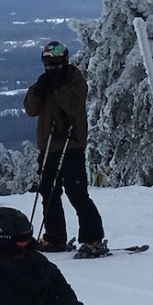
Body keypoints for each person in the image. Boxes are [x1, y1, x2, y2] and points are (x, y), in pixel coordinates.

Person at [24, 40, 109, 259]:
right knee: (48, 192)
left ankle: (93, 238)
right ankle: (54, 237)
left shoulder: (76, 80)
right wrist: (39, 90)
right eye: (48, 66)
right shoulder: (44, 82)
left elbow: (73, 107)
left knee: (76, 192)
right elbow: (30, 110)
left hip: (71, 145)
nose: (52, 70)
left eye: (55, 66)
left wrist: (59, 88)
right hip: (49, 145)